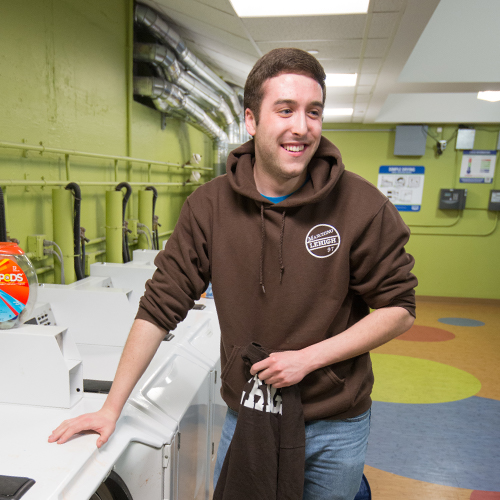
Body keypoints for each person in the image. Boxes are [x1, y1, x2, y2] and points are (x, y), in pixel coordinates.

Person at [49, 48, 417, 500]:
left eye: (313, 112)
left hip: (334, 423)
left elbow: (399, 308)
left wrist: (308, 358)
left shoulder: (362, 206)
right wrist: (111, 408)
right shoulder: (209, 207)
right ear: (250, 119)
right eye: (285, 110)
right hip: (248, 414)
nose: (301, 127)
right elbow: (159, 306)